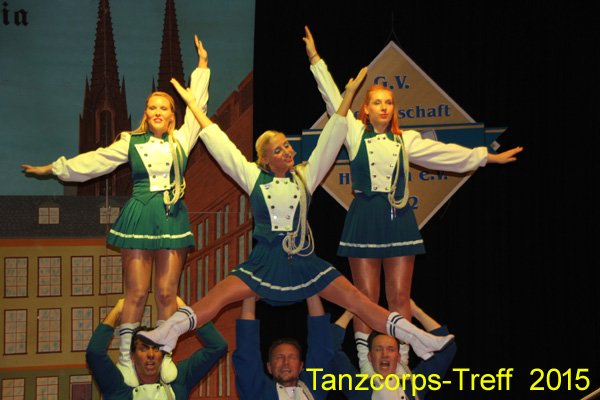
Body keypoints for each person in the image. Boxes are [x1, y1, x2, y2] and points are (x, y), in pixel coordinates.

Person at [138, 65, 453, 362]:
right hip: (265, 261)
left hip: (303, 262)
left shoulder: (306, 175)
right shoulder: (252, 176)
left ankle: (419, 340)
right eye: (278, 149)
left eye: (287, 146)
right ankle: (168, 332)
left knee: (359, 301)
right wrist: (193, 104)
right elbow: (219, 143)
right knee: (216, 298)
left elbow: (333, 134)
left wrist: (348, 96)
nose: (287, 151)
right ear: (265, 160)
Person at [303, 25, 523, 361]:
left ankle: (402, 359)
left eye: (389, 102)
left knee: (400, 295)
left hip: (399, 218)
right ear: (365, 108)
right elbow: (334, 100)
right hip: (365, 217)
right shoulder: (353, 133)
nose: (384, 107)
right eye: (377, 102)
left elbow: (445, 154)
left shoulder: (406, 140)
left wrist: (486, 157)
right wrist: (316, 60)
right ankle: (365, 362)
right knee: (365, 296)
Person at [21, 35, 211, 386]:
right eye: (152, 107)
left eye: (164, 108)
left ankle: (166, 354)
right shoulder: (130, 142)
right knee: (136, 293)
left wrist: (201, 69)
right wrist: (55, 168)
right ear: (146, 113)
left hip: (171, 217)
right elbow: (96, 161)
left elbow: (198, 108)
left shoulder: (183, 140)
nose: (157, 112)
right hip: (139, 214)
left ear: (173, 116)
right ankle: (125, 358)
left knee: (166, 293)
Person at [85, 297, 227, 399]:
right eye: (143, 348)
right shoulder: (118, 387)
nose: (151, 354)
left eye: (157, 348)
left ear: (164, 354)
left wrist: (187, 315)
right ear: (132, 356)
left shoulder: (178, 381)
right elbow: (94, 353)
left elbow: (218, 346)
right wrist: (116, 312)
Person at [329, 299, 457, 400]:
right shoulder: (360, 390)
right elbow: (330, 351)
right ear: (370, 357)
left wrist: (417, 312)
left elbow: (446, 348)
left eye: (390, 349)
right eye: (378, 349)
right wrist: (349, 313)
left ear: (398, 357)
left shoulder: (413, 386)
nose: (384, 354)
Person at [232, 296, 334, 400]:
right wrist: (249, 296)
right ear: (269, 367)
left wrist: (311, 291)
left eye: (292, 357)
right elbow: (247, 354)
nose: (286, 362)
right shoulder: (258, 393)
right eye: (279, 357)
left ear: (300, 366)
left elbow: (321, 347)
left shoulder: (313, 389)